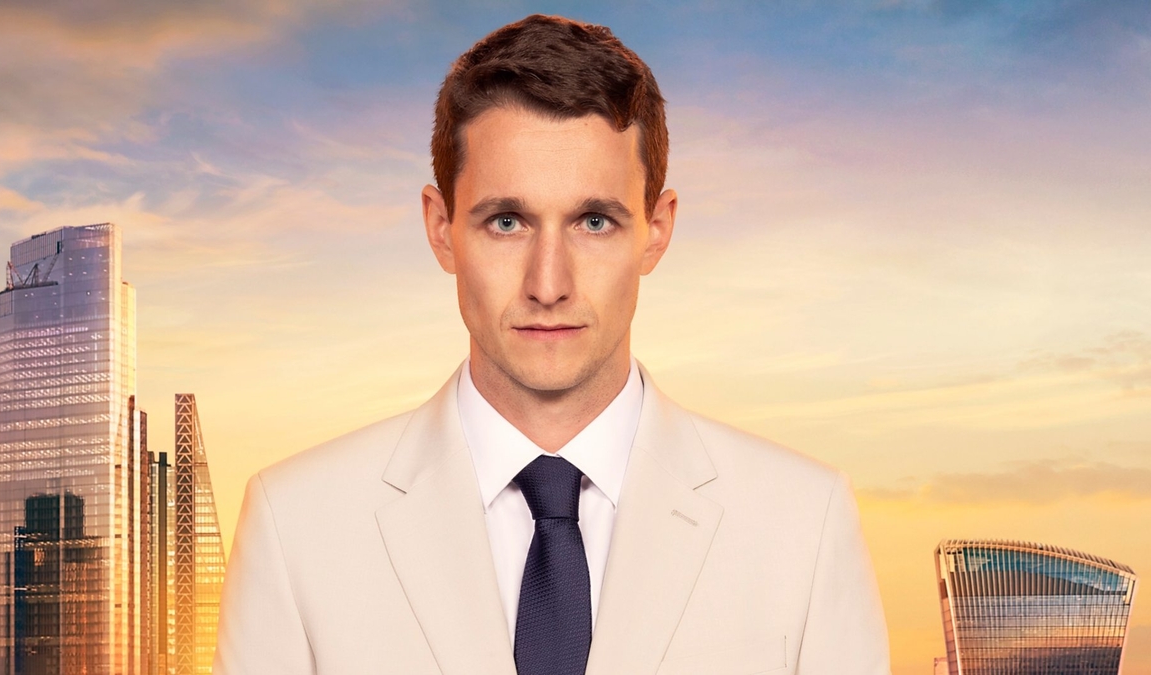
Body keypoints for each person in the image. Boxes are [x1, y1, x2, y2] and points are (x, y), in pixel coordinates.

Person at [214, 14, 890, 675]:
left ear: (656, 230)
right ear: (441, 227)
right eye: (507, 221)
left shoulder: (803, 524)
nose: (549, 283)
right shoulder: (298, 525)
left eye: (594, 221)